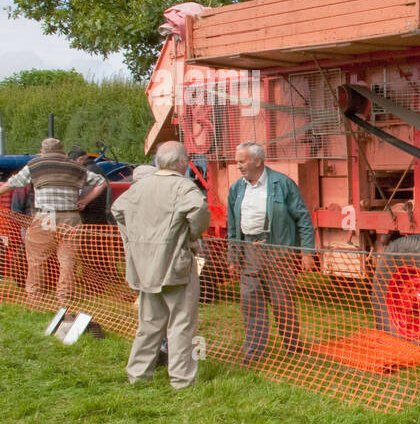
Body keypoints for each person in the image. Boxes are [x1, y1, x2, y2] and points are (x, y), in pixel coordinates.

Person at [111, 141, 210, 388]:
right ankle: (181, 379)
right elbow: (199, 211)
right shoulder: (182, 186)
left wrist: (133, 236)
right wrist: (191, 235)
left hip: (144, 266)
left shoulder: (140, 186)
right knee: (181, 323)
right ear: (180, 162)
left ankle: (138, 375)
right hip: (175, 265)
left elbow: (118, 209)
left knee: (149, 324)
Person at [226, 141, 315, 364]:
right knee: (251, 302)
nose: (238, 166)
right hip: (250, 252)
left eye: (242, 161)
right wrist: (233, 258)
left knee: (282, 301)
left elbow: (303, 218)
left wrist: (306, 251)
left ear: (258, 160)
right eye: (237, 162)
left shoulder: (283, 184)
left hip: (278, 251)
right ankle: (254, 351)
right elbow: (232, 227)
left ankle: (293, 348)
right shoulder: (237, 188)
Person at [0, 137, 108, 306]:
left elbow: (12, 184)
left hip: (46, 217)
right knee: (68, 260)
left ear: (43, 151)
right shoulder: (76, 167)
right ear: (62, 151)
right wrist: (85, 200)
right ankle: (65, 297)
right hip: (71, 217)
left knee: (37, 259)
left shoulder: (35, 165)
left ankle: (35, 296)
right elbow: (101, 182)